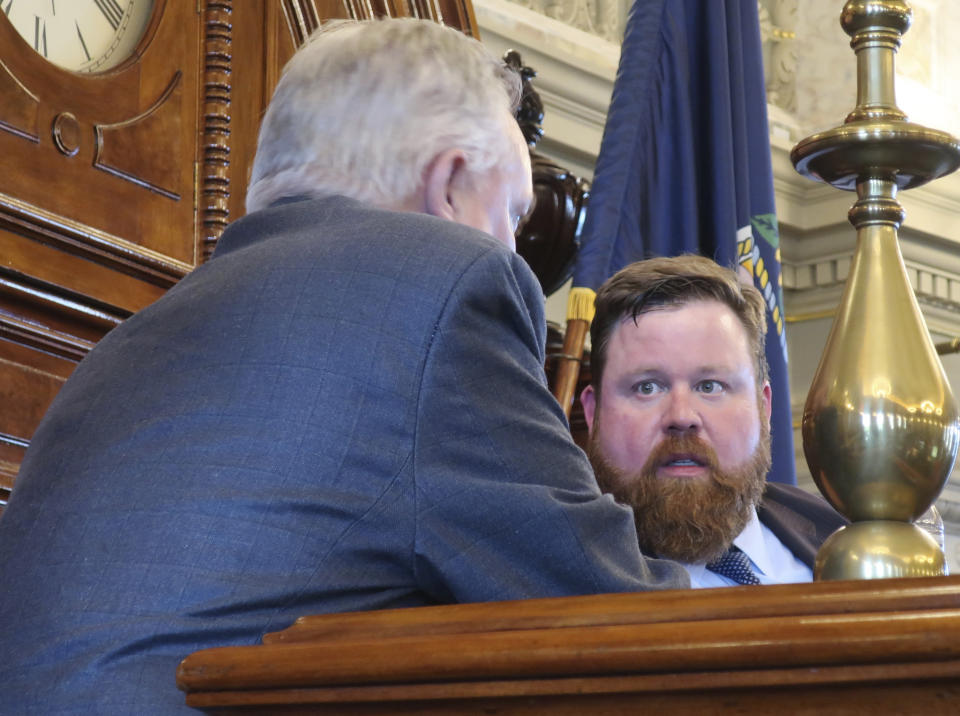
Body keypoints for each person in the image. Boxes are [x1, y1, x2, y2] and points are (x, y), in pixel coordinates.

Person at [0, 18, 688, 714]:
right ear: (449, 185)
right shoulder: (446, 283)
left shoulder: (131, 340)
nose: (514, 250)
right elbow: (611, 608)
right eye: (511, 213)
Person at [580, 254, 847, 588]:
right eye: (647, 388)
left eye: (710, 386)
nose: (681, 417)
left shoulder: (848, 540)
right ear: (593, 413)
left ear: (763, 407)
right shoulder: (549, 578)